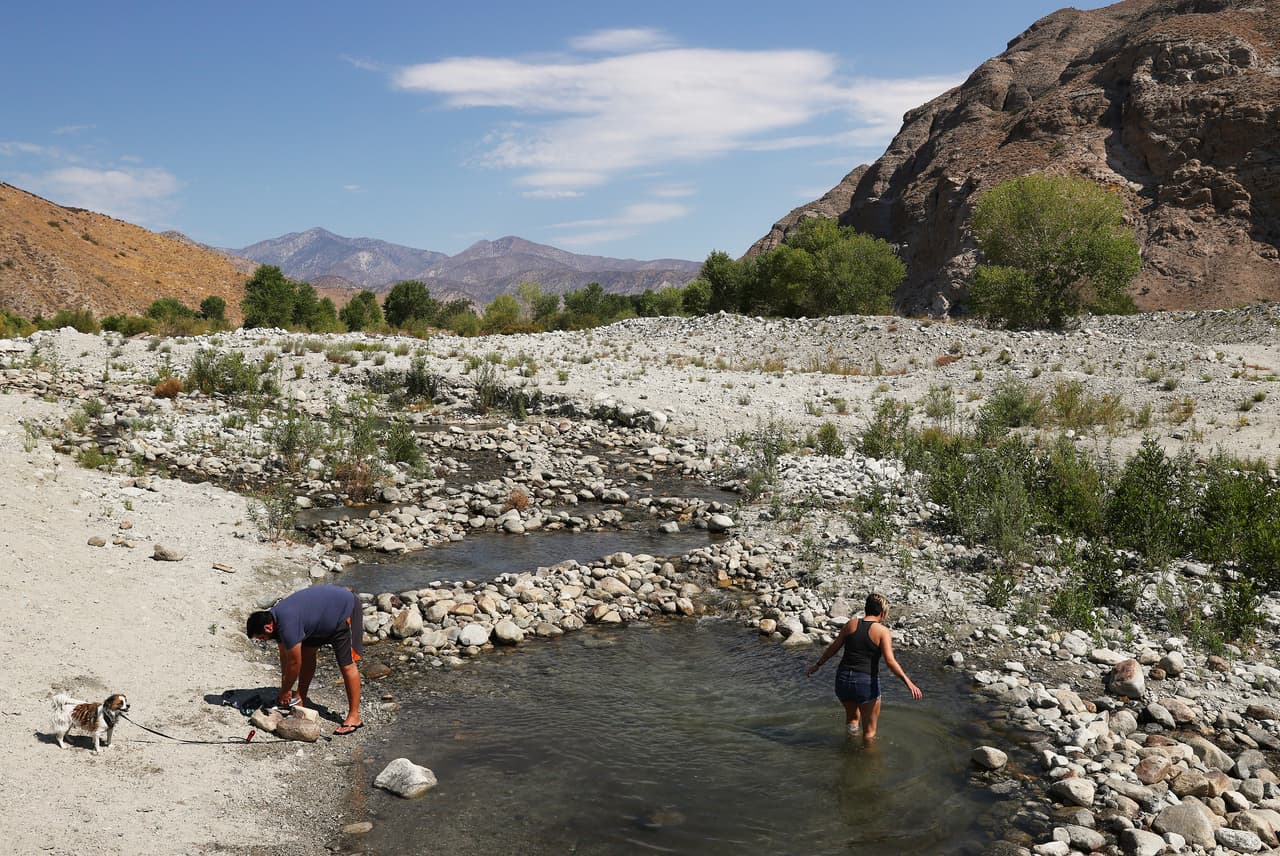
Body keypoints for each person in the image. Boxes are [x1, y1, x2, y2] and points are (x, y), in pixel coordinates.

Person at [246, 585, 364, 735]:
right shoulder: (275, 620)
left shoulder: (287, 625)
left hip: (344, 610)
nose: (264, 641)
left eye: (262, 638)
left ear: (268, 628)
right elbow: (286, 659)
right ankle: (300, 698)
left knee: (346, 665)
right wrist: (285, 689)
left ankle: (354, 716)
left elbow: (295, 664)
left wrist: (284, 691)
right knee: (307, 653)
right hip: (320, 621)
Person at [806, 593, 921, 741]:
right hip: (865, 683)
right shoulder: (882, 631)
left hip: (842, 680)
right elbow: (890, 662)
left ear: (866, 609)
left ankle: (849, 749)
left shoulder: (851, 624)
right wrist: (908, 682)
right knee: (869, 733)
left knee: (853, 720)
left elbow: (833, 648)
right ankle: (868, 763)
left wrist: (818, 665)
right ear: (882, 613)